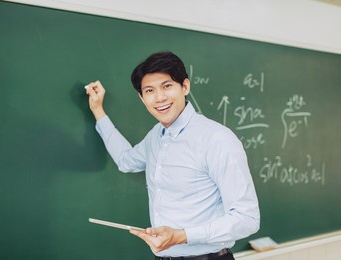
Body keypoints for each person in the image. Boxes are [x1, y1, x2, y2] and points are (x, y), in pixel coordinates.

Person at [85, 51, 260, 260]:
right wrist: (98, 111)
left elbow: (247, 218)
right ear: (141, 98)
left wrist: (182, 236)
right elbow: (126, 161)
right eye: (149, 90)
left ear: (185, 86)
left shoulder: (216, 139)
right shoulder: (156, 137)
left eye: (167, 86)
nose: (159, 98)